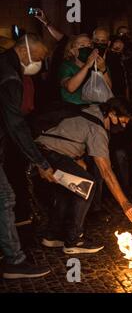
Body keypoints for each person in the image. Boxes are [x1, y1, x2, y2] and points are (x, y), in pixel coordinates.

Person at [36, 97, 132, 254]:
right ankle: (73, 240)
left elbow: (72, 132)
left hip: (44, 150)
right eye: (122, 121)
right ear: (112, 114)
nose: (123, 127)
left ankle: (52, 235)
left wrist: (76, 157)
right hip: (48, 155)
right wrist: (125, 204)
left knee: (67, 189)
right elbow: (106, 172)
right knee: (87, 184)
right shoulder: (97, 129)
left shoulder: (94, 110)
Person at [0, 34, 56, 279]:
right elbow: (16, 125)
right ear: (25, 52)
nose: (41, 64)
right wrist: (41, 162)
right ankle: (14, 261)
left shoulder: (5, 64)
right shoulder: (11, 77)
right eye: (41, 58)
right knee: (5, 199)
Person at [59, 34, 112, 105]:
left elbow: (108, 89)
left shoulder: (99, 65)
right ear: (72, 50)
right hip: (73, 110)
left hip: (95, 109)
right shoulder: (66, 65)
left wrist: (103, 69)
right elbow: (70, 88)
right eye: (82, 46)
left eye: (89, 46)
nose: (87, 48)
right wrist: (87, 65)